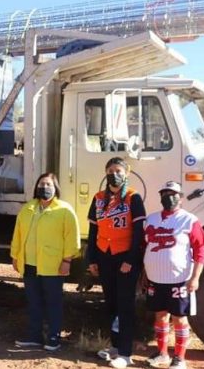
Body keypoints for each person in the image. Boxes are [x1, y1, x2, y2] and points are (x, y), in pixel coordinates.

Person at [86, 157, 146, 368]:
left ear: (126, 173)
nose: (114, 174)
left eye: (118, 170)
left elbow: (139, 232)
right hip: (104, 256)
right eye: (110, 170)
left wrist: (131, 259)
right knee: (110, 302)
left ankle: (125, 353)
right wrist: (91, 259)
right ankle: (115, 345)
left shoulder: (133, 197)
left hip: (125, 258)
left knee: (125, 304)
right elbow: (94, 230)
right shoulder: (99, 198)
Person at [11, 173, 80, 351]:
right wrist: (15, 256)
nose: (45, 187)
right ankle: (34, 337)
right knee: (34, 302)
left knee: (53, 302)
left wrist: (67, 260)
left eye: (48, 184)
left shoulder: (64, 210)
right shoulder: (27, 209)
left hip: (53, 265)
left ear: (55, 188)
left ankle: (53, 338)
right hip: (30, 264)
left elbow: (72, 238)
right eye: (42, 184)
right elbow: (18, 234)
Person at [143, 181, 204, 369]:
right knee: (160, 316)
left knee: (180, 318)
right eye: (164, 193)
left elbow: (200, 250)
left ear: (180, 197)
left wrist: (195, 277)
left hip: (179, 280)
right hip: (155, 279)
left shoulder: (189, 220)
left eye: (173, 193)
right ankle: (162, 353)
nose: (168, 197)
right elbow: (144, 246)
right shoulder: (152, 219)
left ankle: (179, 358)